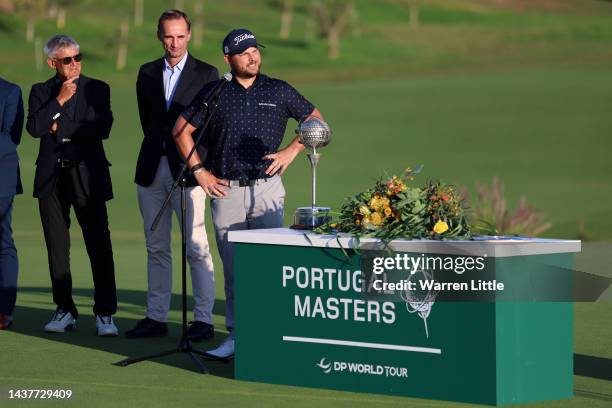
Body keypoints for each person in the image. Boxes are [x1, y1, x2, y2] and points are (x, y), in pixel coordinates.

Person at [172, 28, 324, 358]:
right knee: (235, 270)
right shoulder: (215, 92)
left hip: (267, 189)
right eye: (244, 52)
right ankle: (237, 337)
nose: (252, 56)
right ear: (228, 59)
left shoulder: (278, 89)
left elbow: (316, 120)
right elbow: (181, 131)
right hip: (226, 190)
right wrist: (200, 173)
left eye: (256, 50)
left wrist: (291, 151)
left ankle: (270, 334)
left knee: (269, 267)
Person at [126, 10, 219, 341]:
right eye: (168, 36)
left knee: (196, 245)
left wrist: (198, 165)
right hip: (151, 168)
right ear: (159, 35)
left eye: (180, 36)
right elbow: (148, 121)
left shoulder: (208, 74)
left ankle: (204, 320)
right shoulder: (147, 72)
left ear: (190, 35)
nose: (174, 43)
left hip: (190, 171)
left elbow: (207, 129)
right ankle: (155, 317)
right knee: (156, 246)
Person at [26, 35, 118, 336]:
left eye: (78, 57)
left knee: (99, 245)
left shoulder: (97, 89)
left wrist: (60, 128)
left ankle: (105, 313)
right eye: (68, 60)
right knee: (57, 247)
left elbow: (101, 128)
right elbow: (35, 127)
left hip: (87, 176)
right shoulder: (41, 92)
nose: (75, 64)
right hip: (51, 178)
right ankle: (64, 309)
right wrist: (60, 102)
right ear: (53, 62)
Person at [0, 77, 24, 330]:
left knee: (2, 242)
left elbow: (11, 137)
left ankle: (4, 310)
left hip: (1, 178)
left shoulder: (10, 90)